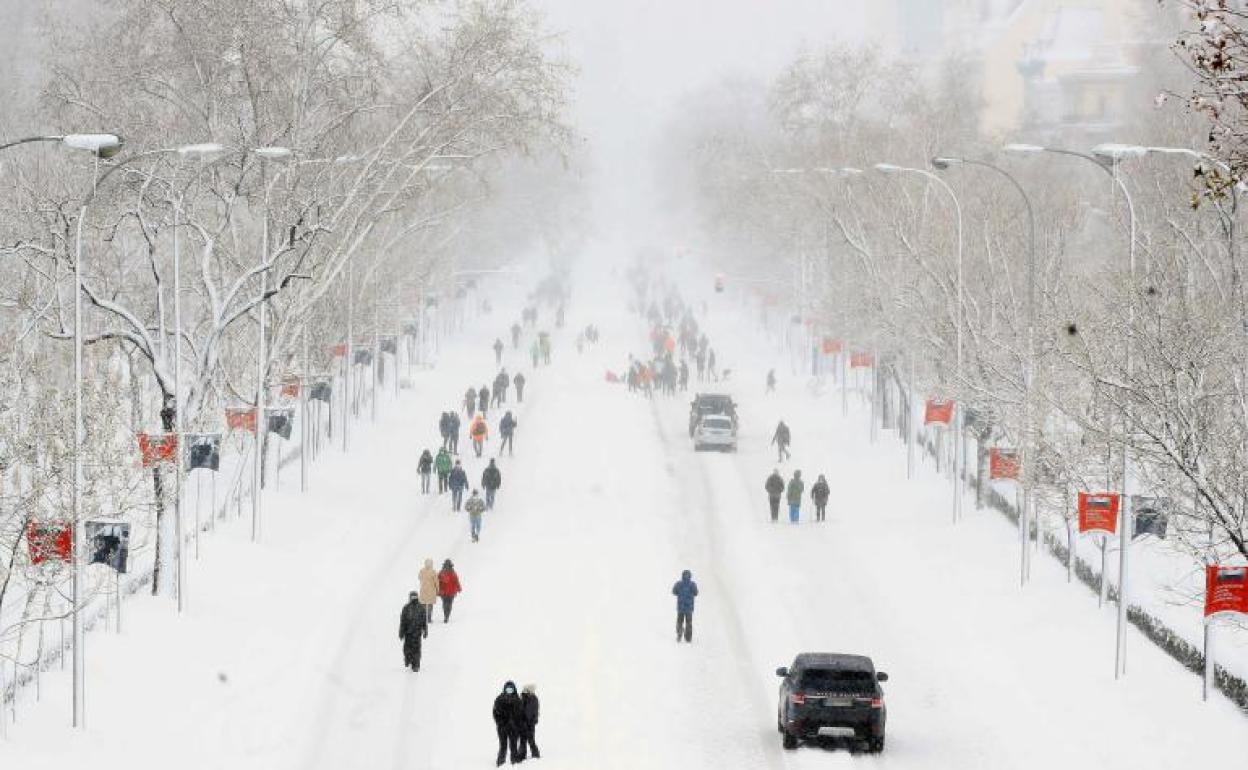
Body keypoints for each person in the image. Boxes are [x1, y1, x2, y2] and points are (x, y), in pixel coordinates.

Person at [493, 681, 524, 766]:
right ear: (505, 689)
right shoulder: (499, 699)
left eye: (511, 688)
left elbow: (521, 714)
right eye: (508, 688)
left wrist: (517, 724)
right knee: (503, 746)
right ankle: (500, 763)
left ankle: (515, 763)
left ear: (514, 689)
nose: (509, 690)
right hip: (503, 728)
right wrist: (500, 723)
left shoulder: (518, 700)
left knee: (513, 746)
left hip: (514, 728)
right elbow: (495, 712)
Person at [398, 591, 428, 672]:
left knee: (410, 649)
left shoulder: (407, 607)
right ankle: (412, 662)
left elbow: (402, 622)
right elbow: (424, 621)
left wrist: (401, 632)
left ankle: (414, 663)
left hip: (411, 633)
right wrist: (425, 631)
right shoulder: (419, 607)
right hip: (414, 633)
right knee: (414, 649)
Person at [672, 569, 698, 643]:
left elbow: (674, 591)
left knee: (680, 621)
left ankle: (679, 632)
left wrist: (679, 593)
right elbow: (696, 593)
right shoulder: (692, 584)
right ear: (690, 576)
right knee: (689, 622)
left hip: (680, 606)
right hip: (689, 607)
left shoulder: (679, 584)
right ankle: (688, 637)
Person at [518, 684, 540, 760]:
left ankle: (535, 755)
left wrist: (532, 721)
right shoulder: (522, 697)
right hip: (523, 723)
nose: (525, 691)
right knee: (522, 740)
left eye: (527, 690)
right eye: (525, 689)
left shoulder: (534, 698)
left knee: (531, 740)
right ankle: (521, 756)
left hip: (530, 724)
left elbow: (532, 712)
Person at [418, 558, 438, 624]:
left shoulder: (422, 571)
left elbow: (419, 578)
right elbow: (436, 582)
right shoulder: (433, 572)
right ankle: (429, 618)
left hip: (423, 590)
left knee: (423, 605)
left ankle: (423, 618)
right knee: (430, 605)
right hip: (431, 590)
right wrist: (438, 589)